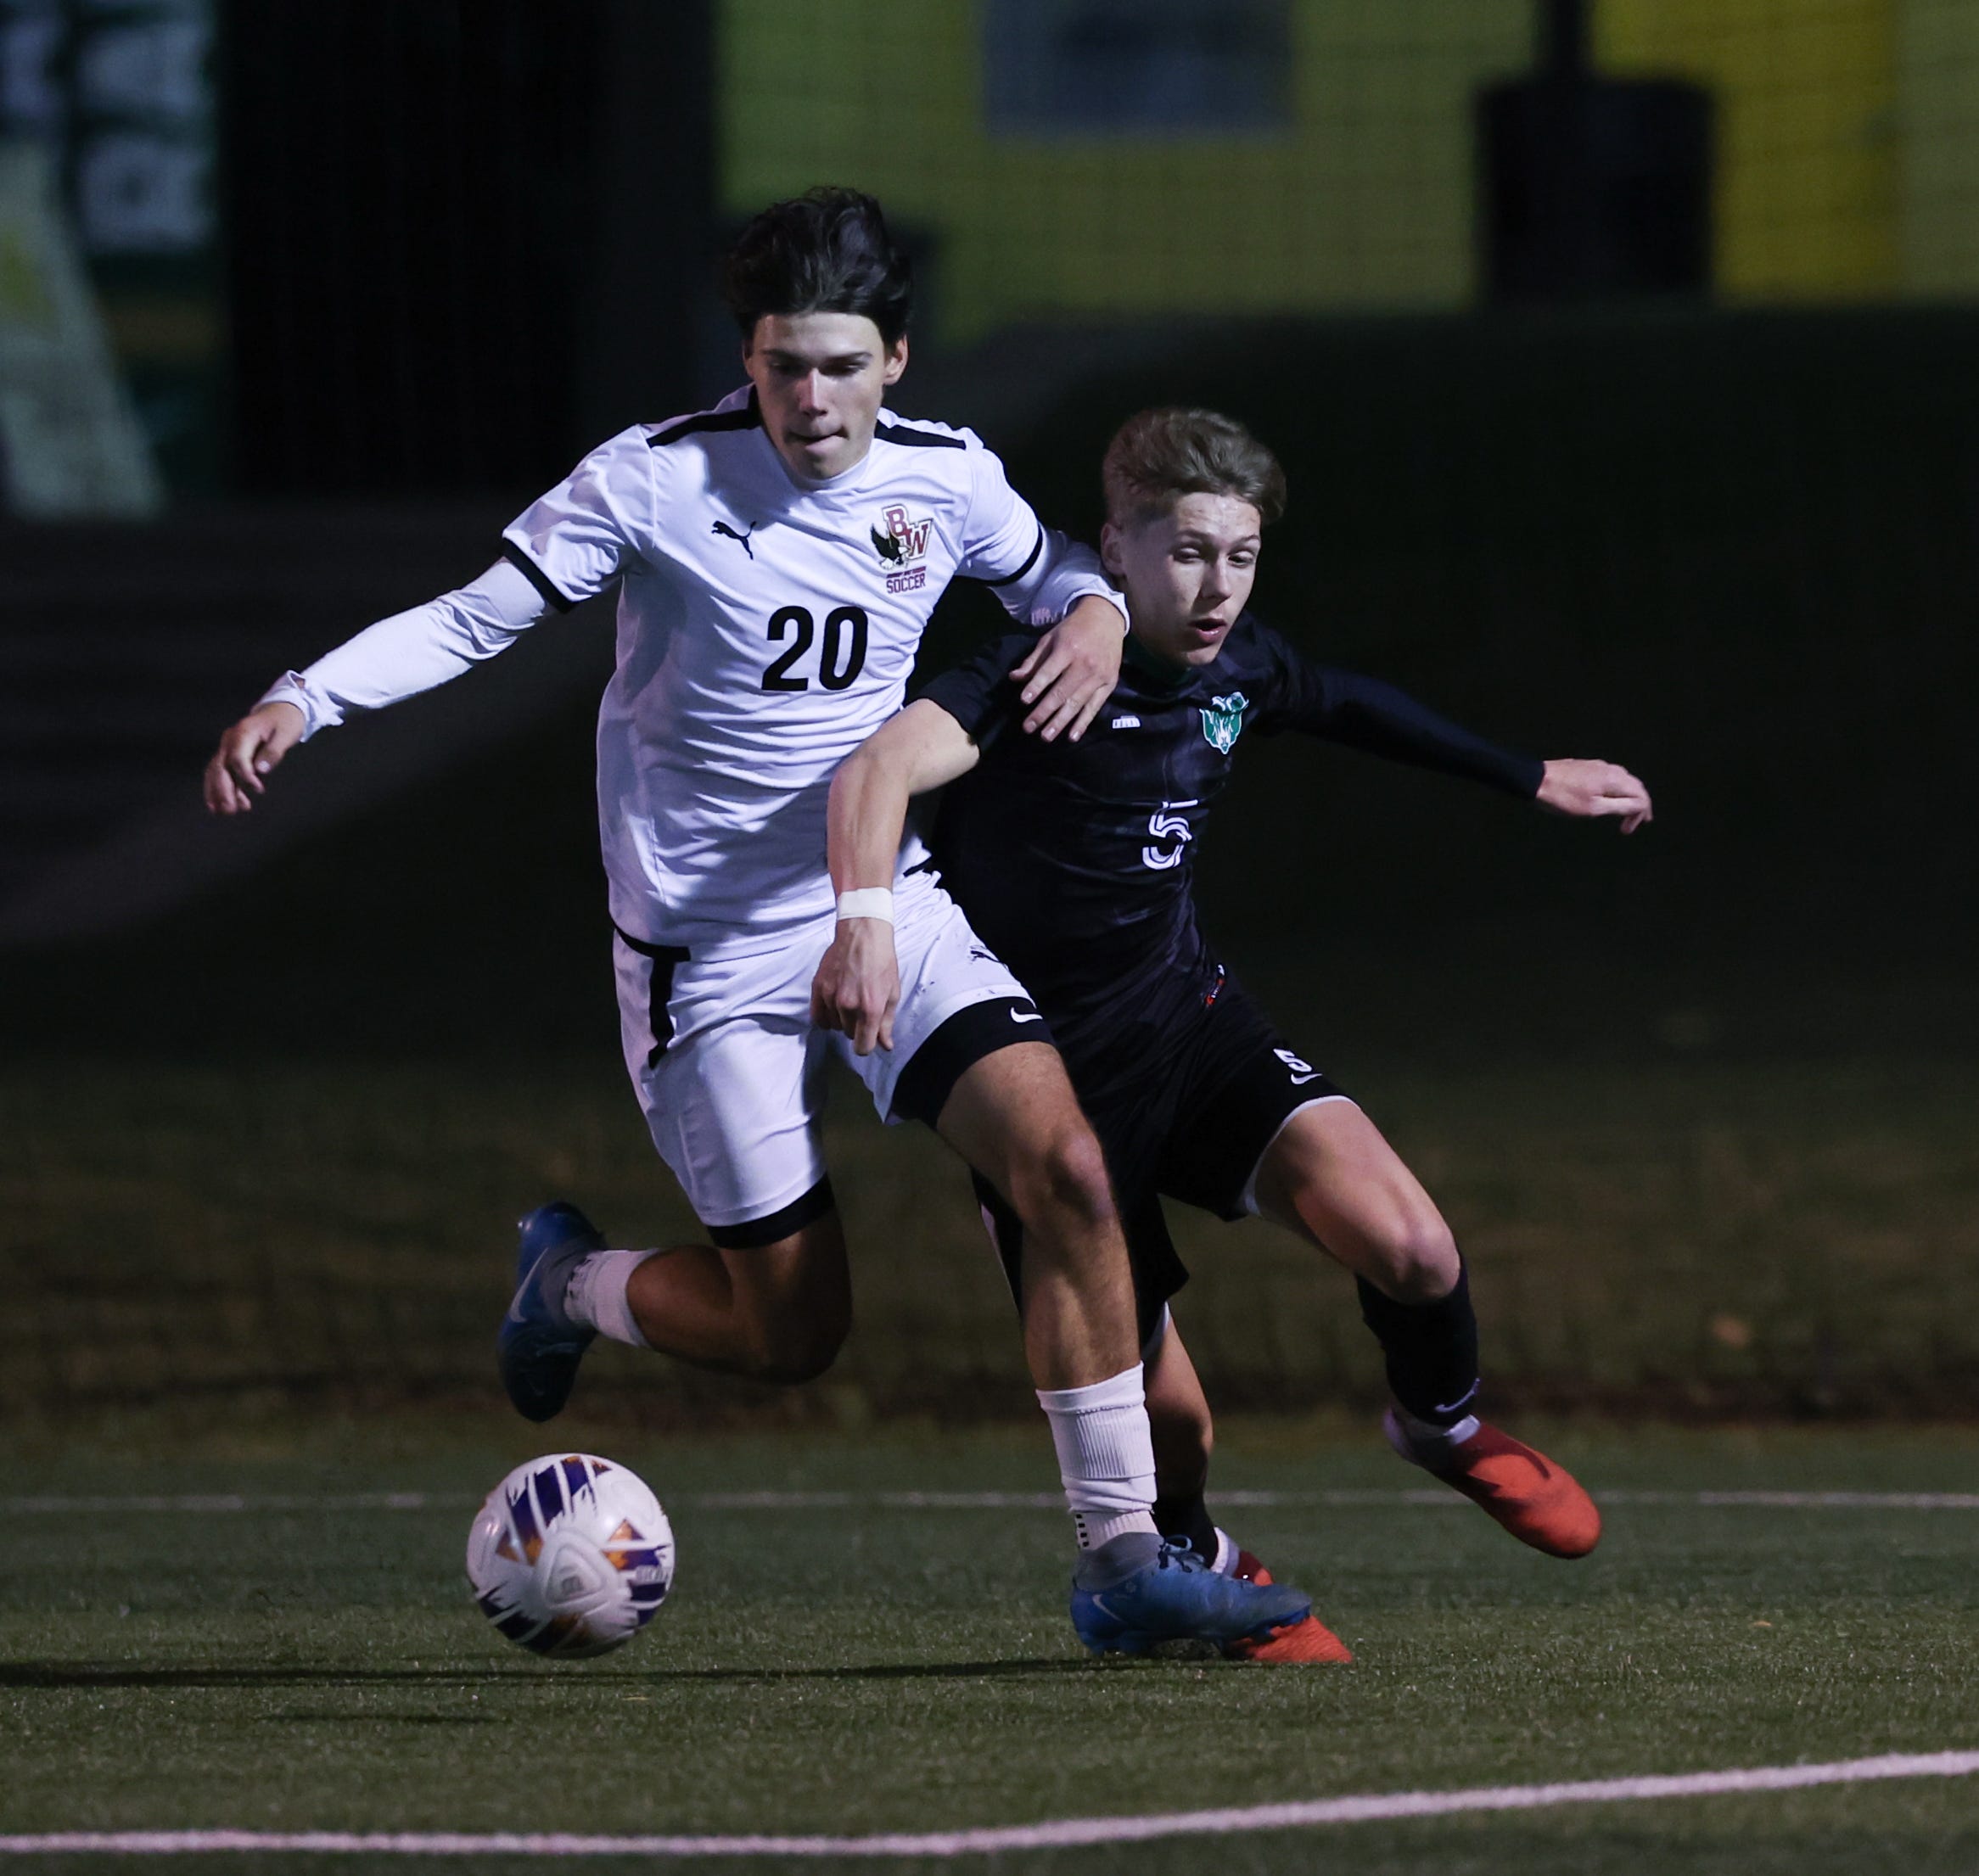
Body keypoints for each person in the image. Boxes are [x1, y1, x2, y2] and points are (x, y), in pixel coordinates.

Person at [203, 195, 1310, 1659]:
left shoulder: (949, 478)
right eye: (785, 365)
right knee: (794, 1337)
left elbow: (1067, 580)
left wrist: (1099, 610)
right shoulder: (654, 479)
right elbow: (478, 617)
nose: (812, 399)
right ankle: (570, 1283)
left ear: (898, 360)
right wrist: (307, 695)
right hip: (703, 958)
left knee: (1071, 1172)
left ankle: (1121, 1560)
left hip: (881, 901)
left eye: (842, 367)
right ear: (750, 357)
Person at [815, 406, 1654, 1620]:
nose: (1219, 589)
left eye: (1242, 556)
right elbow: (884, 766)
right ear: (1116, 548)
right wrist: (868, 921)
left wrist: (1526, 775)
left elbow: (1349, 702)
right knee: (1177, 1436)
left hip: (1191, 1028)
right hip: (1043, 1093)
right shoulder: (1028, 670)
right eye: (1190, 552)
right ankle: (1197, 1568)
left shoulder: (1242, 666)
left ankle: (1441, 1423)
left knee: (1416, 1248)